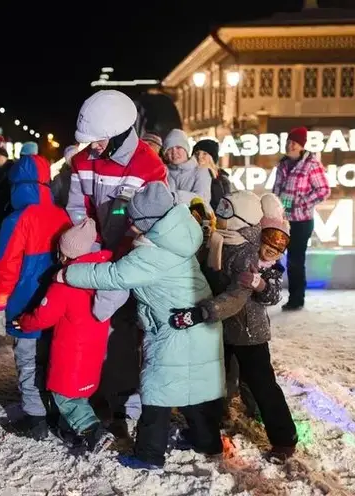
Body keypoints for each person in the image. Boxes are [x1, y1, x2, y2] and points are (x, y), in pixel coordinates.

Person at [60, 182, 225, 472]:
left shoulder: (152, 255)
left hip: (174, 330)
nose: (131, 226)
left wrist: (68, 273)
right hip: (195, 325)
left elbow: (114, 275)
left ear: (147, 223)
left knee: (158, 392)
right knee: (190, 387)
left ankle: (149, 455)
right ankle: (207, 442)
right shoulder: (180, 235)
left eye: (134, 221)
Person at [170, 191, 298, 463]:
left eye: (226, 212)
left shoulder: (251, 252)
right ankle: (210, 431)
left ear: (240, 217)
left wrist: (205, 311)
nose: (220, 218)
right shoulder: (220, 241)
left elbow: (238, 298)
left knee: (261, 384)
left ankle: (284, 437)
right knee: (217, 382)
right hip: (222, 328)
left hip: (249, 332)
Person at [68, 89, 167, 434]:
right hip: (96, 259)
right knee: (91, 330)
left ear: (119, 133)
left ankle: (127, 404)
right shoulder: (82, 161)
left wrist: (117, 269)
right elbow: (77, 211)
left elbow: (150, 226)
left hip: (131, 266)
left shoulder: (149, 166)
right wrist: (84, 248)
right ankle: (92, 393)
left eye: (97, 141)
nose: (91, 147)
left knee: (125, 336)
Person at [15, 218, 114, 453]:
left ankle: (92, 431)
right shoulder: (101, 275)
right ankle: (71, 430)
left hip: (71, 352)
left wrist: (24, 322)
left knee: (65, 396)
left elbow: (43, 317)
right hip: (93, 350)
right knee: (79, 394)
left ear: (66, 254)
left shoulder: (64, 285)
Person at [0, 154, 72, 440]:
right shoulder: (62, 214)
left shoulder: (16, 219)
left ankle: (35, 417)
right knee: (52, 357)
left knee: (27, 359)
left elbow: (6, 266)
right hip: (55, 298)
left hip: (23, 302)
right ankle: (55, 409)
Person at [272, 127, 330, 311]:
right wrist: (273, 206)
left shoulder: (311, 164)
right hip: (282, 220)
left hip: (301, 221)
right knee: (273, 258)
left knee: (295, 261)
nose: (290, 145)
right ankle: (269, 293)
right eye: (288, 142)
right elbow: (276, 189)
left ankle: (296, 298)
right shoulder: (282, 165)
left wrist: (302, 203)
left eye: (294, 142)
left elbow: (323, 190)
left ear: (301, 146)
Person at [164, 129, 212, 207]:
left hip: (197, 218)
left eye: (178, 147)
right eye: (169, 149)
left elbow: (202, 199)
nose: (174, 152)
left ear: (186, 150)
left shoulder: (200, 171)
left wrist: (177, 197)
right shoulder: (163, 172)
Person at [192, 138, 231, 212]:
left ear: (212, 157)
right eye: (197, 153)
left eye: (204, 153)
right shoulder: (188, 176)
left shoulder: (223, 180)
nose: (199, 157)